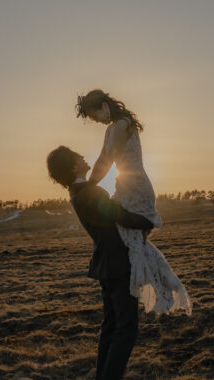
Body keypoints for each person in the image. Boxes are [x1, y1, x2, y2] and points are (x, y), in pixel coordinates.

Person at [46, 145, 152, 380]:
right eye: (78, 157)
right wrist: (146, 221)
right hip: (116, 265)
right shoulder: (88, 193)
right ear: (73, 167)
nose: (84, 157)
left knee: (111, 328)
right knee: (125, 329)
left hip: (107, 265)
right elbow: (116, 214)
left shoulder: (80, 192)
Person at [76, 89, 192, 316]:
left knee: (130, 242)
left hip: (135, 188)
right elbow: (102, 158)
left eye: (95, 115)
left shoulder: (121, 124)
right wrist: (89, 186)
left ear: (104, 105)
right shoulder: (112, 128)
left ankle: (158, 291)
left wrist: (87, 188)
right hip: (125, 187)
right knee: (130, 243)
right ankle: (161, 290)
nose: (97, 121)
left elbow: (107, 159)